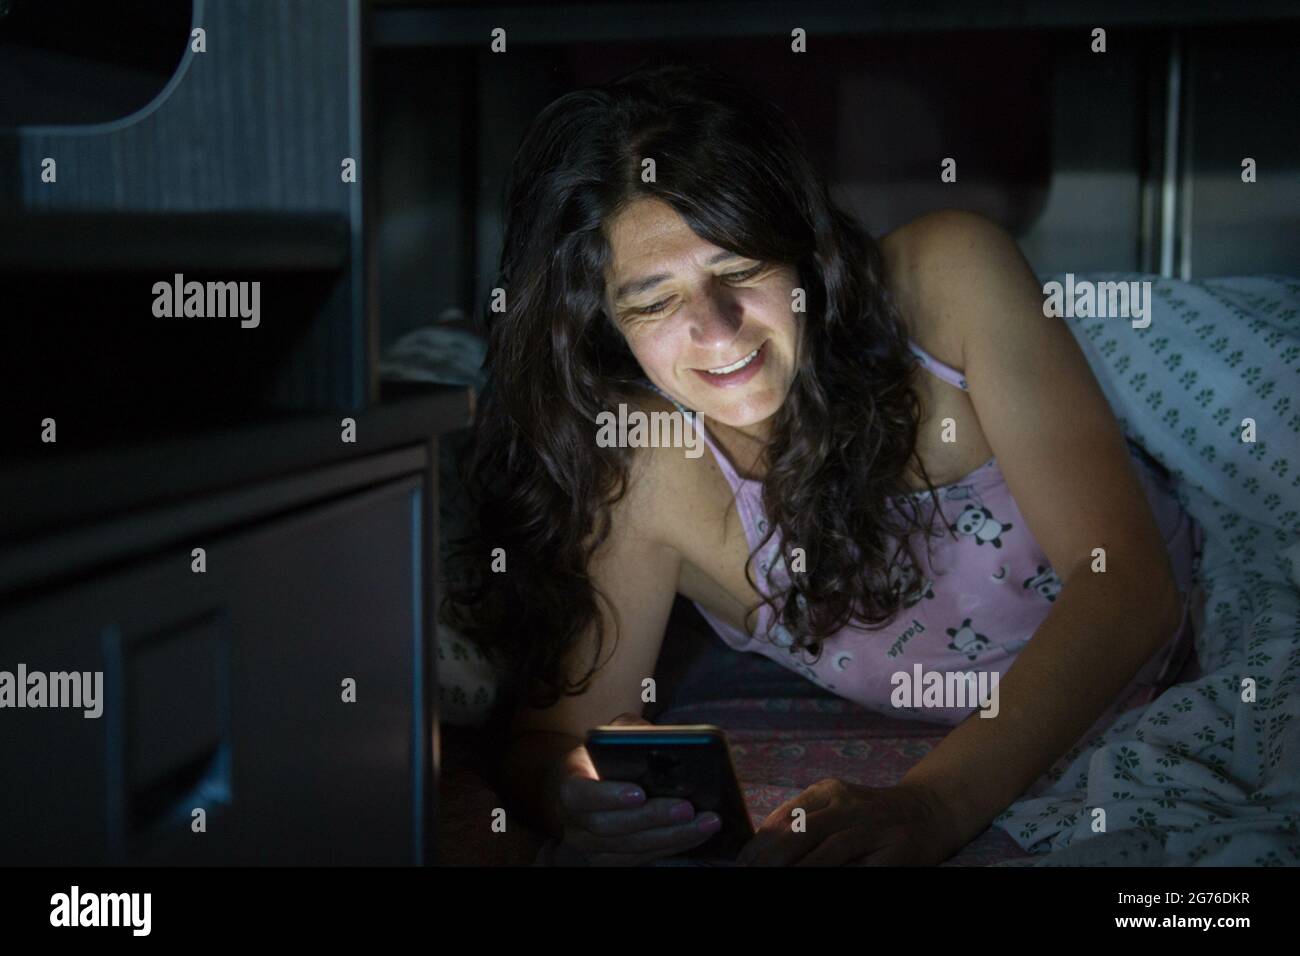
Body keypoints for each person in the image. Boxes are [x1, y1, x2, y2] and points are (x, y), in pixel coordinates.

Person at [444, 62, 1200, 866]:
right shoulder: (647, 464)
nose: (718, 328)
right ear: (606, 325)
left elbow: (1131, 585)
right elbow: (555, 737)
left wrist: (934, 802)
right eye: (656, 301)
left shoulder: (948, 275)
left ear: (802, 254)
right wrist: (578, 794)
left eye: (738, 270)